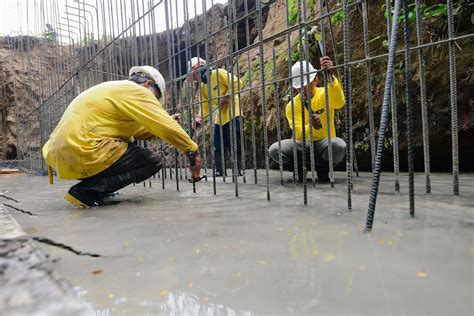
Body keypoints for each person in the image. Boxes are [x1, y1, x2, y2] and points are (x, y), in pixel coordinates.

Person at [42, 66, 202, 207]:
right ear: (148, 85)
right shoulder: (138, 91)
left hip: (60, 155)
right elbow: (166, 128)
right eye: (155, 99)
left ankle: (99, 190)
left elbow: (140, 132)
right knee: (152, 161)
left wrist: (166, 124)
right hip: (84, 150)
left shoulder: (115, 90)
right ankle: (88, 190)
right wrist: (192, 150)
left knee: (123, 148)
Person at [268, 57, 346, 182]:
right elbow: (298, 132)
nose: (302, 89)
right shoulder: (292, 105)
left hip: (323, 143)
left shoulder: (325, 93)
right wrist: (311, 126)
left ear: (316, 79)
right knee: (275, 150)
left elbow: (339, 103)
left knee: (339, 145)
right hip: (302, 145)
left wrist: (331, 76)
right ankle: (298, 169)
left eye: (305, 85)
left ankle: (323, 168)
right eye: (299, 87)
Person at [188, 57, 243, 177]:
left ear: (198, 69)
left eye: (194, 75)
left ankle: (239, 168)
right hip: (221, 116)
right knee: (218, 145)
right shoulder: (203, 87)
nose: (195, 78)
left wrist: (227, 96)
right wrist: (199, 117)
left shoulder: (218, 73)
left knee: (234, 142)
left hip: (233, 111)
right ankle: (219, 170)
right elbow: (205, 105)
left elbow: (237, 82)